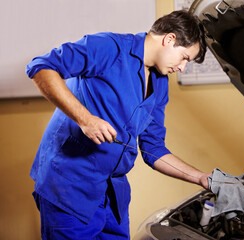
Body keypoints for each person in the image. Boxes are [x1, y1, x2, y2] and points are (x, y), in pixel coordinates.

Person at [26, 10, 211, 239]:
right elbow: (41, 67)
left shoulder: (160, 84)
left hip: (113, 198)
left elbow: (153, 149)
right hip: (69, 189)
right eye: (184, 57)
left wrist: (201, 177)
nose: (183, 67)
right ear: (169, 39)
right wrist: (85, 119)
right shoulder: (109, 47)